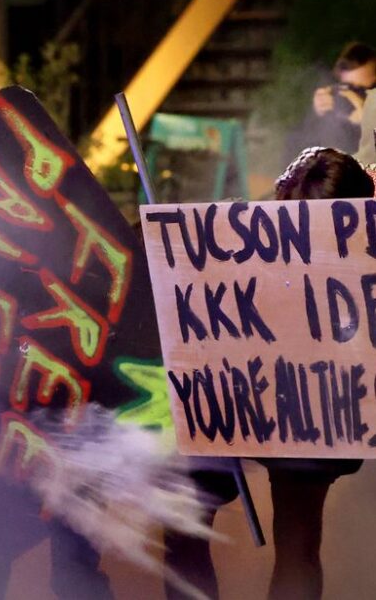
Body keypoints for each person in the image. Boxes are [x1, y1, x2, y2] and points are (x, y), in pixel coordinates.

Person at [164, 147, 371, 600]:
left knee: (276, 540)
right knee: (193, 525)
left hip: (302, 395)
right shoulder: (236, 240)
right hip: (234, 392)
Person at [288, 42, 376, 162]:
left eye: (361, 90)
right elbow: (294, 165)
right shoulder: (332, 116)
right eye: (348, 87)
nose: (354, 96)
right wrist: (315, 117)